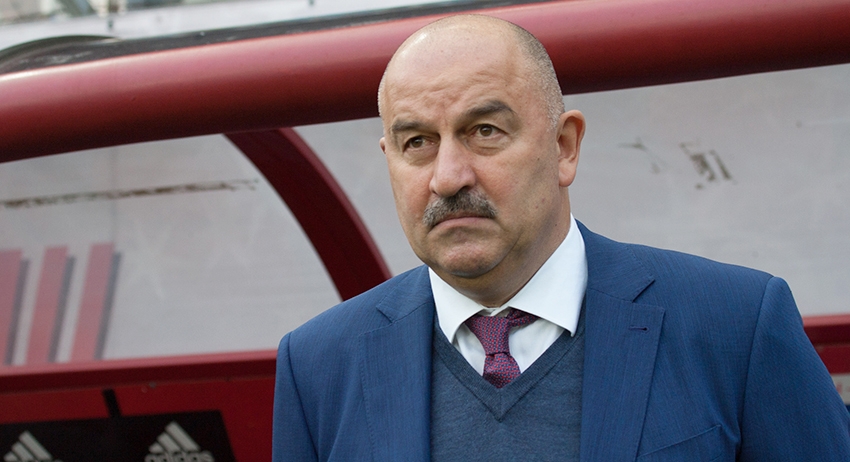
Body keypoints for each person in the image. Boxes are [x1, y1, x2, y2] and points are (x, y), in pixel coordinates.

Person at [272, 14, 850, 461]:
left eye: (485, 130)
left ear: (564, 146)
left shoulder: (734, 325)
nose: (448, 177)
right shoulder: (319, 365)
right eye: (417, 142)